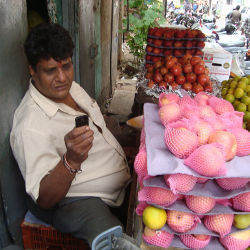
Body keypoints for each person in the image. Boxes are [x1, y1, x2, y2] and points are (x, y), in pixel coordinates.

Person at [10, 23, 140, 250]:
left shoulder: (73, 89)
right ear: (32, 70)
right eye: (50, 70)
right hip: (78, 200)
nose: (62, 77)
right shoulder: (29, 125)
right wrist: (71, 161)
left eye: (66, 66)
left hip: (117, 182)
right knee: (105, 232)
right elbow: (45, 199)